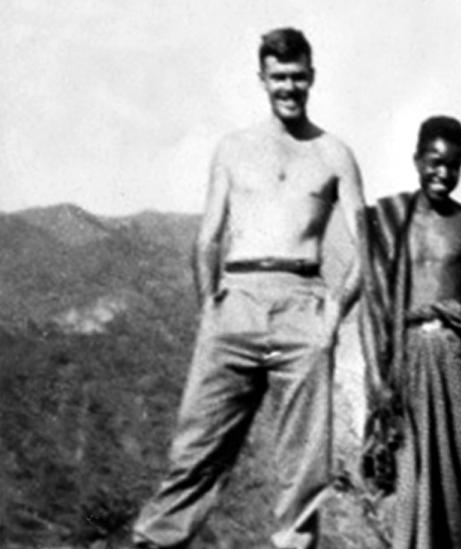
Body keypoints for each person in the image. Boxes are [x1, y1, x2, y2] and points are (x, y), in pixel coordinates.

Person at [131, 28, 368, 549]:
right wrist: (211, 312)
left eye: (298, 77)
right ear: (262, 79)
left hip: (303, 298)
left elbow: (363, 253)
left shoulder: (334, 154)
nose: (289, 88)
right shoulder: (234, 149)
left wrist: (331, 319)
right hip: (236, 298)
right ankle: (157, 542)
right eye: (279, 77)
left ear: (313, 77)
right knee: (197, 446)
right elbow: (207, 238)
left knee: (304, 465)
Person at [359, 116, 461, 549]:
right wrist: (380, 382)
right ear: (417, 159)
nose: (442, 173)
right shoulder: (390, 221)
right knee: (409, 484)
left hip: (457, 363)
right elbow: (369, 306)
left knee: (457, 487)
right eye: (434, 162)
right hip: (406, 362)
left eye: (453, 165)